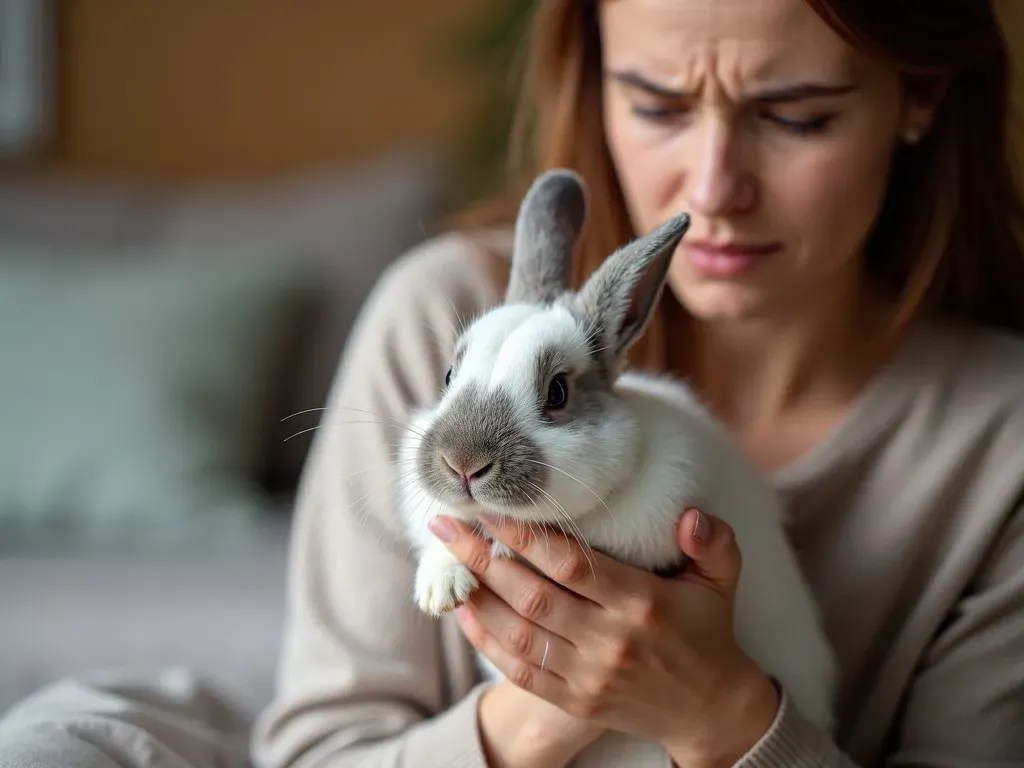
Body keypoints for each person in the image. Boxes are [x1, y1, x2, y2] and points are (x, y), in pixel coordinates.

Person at [1, 1, 1022, 767]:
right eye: (656, 103)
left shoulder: (997, 443)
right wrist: (546, 707)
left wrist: (719, 713)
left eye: (796, 115)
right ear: (594, 75)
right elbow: (320, 745)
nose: (711, 192)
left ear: (916, 95)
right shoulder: (440, 309)